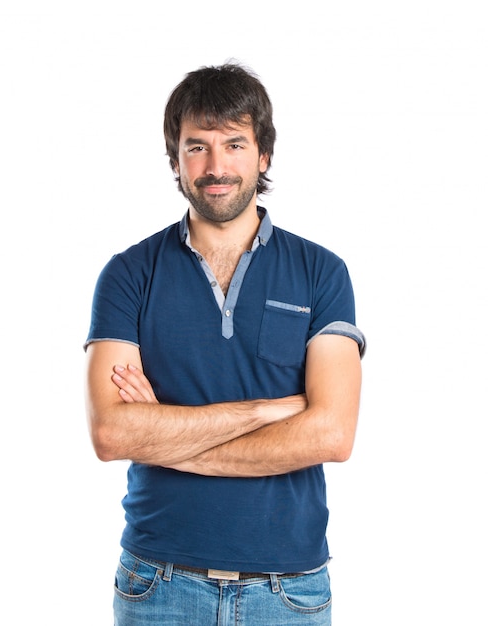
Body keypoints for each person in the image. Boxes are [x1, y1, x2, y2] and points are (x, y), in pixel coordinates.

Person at [84, 62, 366, 626]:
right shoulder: (128, 275)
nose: (216, 167)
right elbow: (113, 433)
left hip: (288, 591)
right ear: (175, 160)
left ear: (263, 156)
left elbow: (332, 435)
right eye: (197, 147)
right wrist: (265, 412)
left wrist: (168, 434)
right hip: (157, 584)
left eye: (234, 143)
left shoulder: (321, 273)